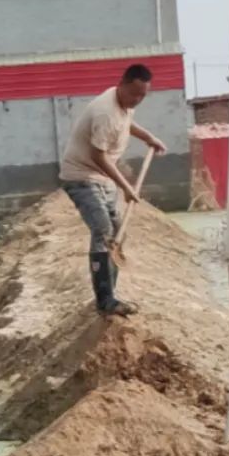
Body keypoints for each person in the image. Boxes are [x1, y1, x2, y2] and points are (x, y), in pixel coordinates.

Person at [59, 63, 167, 317]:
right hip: (82, 177)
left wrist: (148, 137)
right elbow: (99, 156)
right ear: (123, 84)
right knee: (103, 230)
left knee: (117, 231)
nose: (137, 100)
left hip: (101, 177)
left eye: (143, 96)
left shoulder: (122, 104)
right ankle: (105, 300)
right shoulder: (104, 112)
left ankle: (112, 294)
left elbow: (127, 123)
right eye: (134, 94)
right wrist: (127, 187)